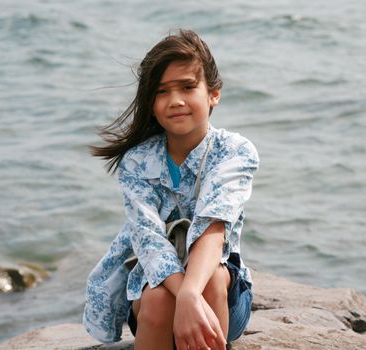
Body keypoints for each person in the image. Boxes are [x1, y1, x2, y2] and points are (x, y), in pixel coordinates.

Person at [83, 29, 259, 350]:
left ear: (213, 94)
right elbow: (148, 240)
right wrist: (182, 296)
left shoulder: (234, 151)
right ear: (151, 104)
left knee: (214, 278)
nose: (175, 100)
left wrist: (192, 294)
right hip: (156, 298)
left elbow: (213, 226)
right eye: (162, 91)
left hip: (221, 298)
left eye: (188, 87)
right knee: (157, 298)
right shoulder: (137, 161)